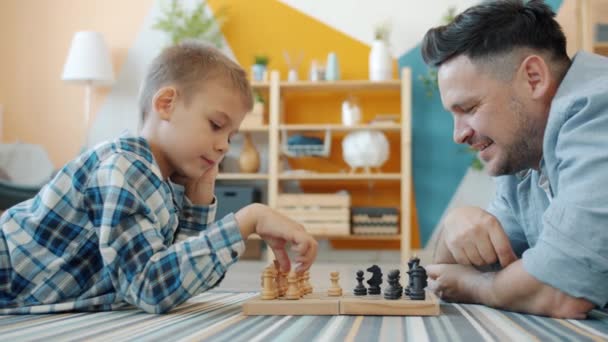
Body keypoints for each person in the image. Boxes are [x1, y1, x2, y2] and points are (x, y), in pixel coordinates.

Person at [0, 41, 318, 314]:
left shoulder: (159, 183)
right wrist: (247, 220)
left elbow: (175, 280)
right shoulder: (125, 167)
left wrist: (198, 200)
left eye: (231, 137)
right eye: (216, 125)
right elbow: (149, 286)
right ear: (167, 104)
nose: (223, 145)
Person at [421, 0, 608, 318]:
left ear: (534, 78)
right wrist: (454, 228)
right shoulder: (524, 153)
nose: (459, 134)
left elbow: (560, 290)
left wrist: (480, 287)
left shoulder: (597, 107)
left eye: (469, 108)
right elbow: (447, 272)